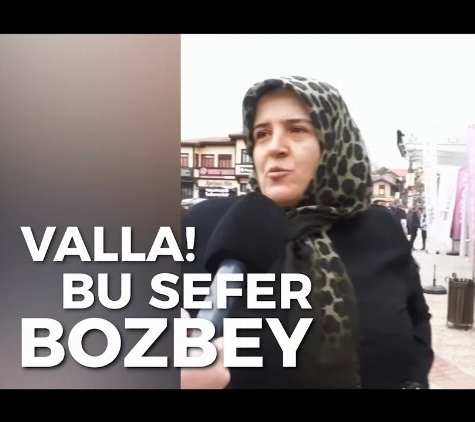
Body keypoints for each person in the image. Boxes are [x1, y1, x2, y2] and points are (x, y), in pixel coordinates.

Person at [181, 76, 433, 389]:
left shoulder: (380, 229)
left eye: (297, 130)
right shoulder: (208, 223)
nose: (275, 147)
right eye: (262, 134)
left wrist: (414, 381)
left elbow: (418, 321)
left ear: (334, 143)